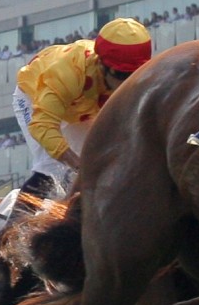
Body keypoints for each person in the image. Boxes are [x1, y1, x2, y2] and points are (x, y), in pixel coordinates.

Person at [12, 17, 152, 194]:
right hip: (34, 98)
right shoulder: (68, 73)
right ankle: (20, 211)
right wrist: (77, 165)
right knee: (51, 168)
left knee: (99, 158)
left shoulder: (129, 76)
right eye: (121, 75)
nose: (126, 85)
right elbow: (43, 125)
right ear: (101, 64)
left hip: (81, 108)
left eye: (134, 75)